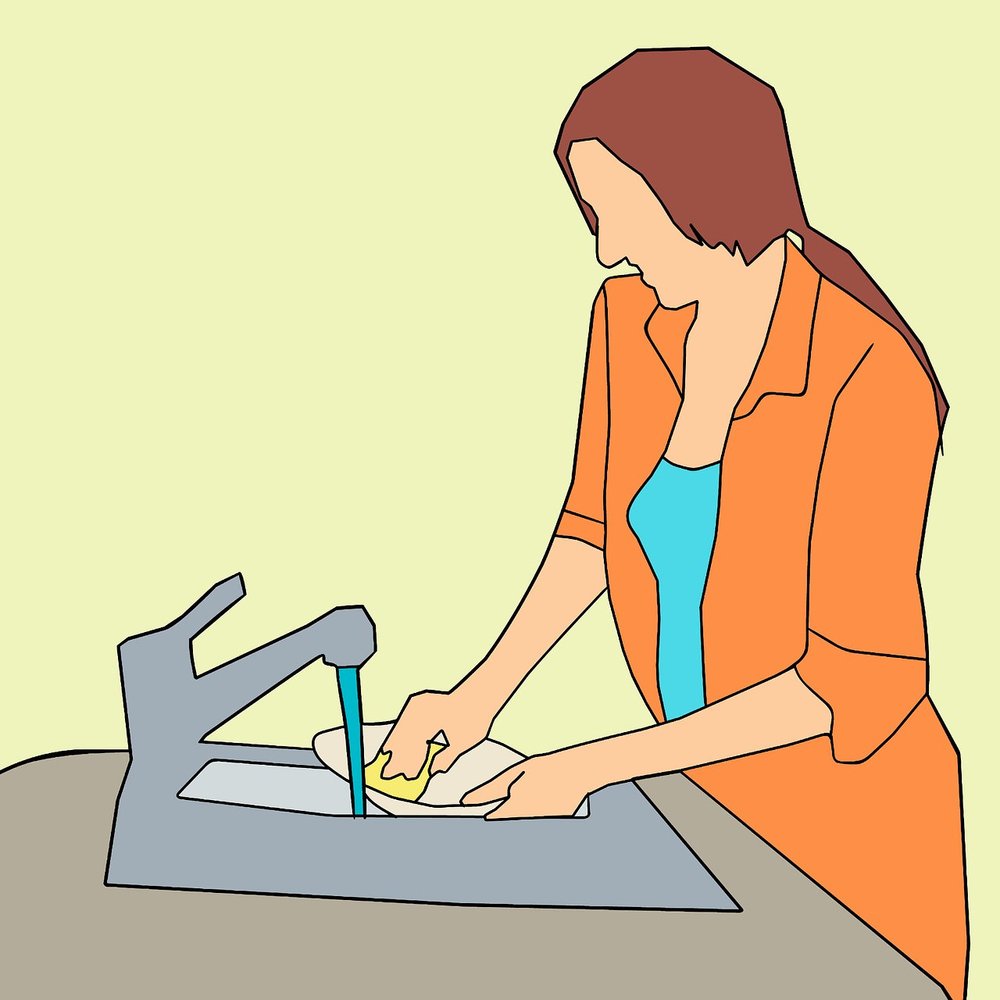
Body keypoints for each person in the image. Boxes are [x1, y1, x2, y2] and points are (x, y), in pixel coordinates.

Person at [379, 48, 968, 1000]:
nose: (608, 247)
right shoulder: (626, 321)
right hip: (698, 809)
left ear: (698, 188)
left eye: (617, 211)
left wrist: (589, 767)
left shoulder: (872, 372)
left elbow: (849, 680)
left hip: (846, 851)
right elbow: (590, 532)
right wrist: (476, 698)